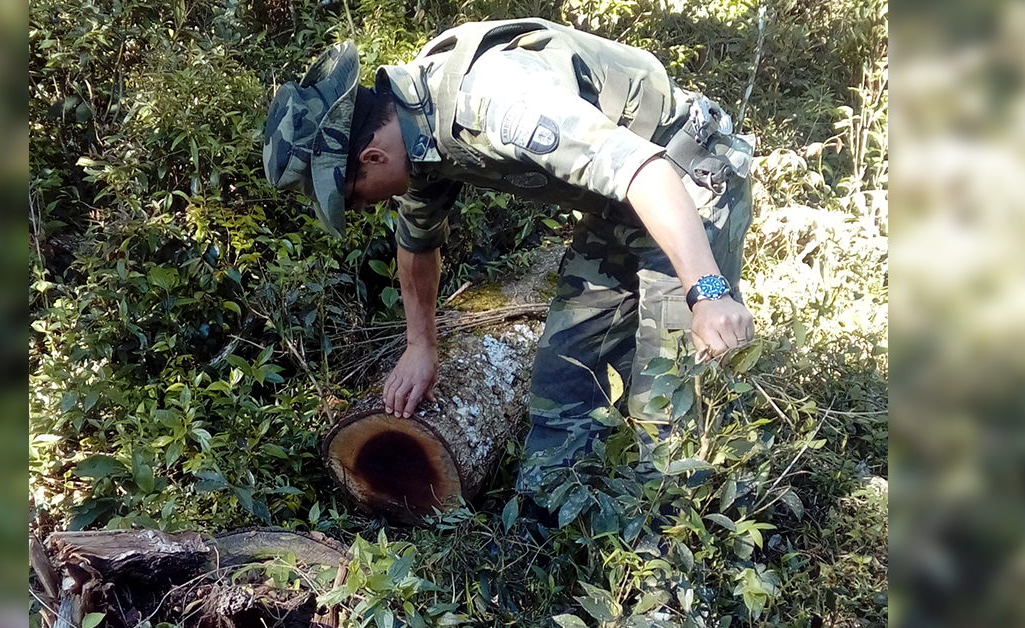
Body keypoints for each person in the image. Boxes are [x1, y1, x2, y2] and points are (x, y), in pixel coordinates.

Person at [262, 18, 755, 501]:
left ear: (372, 158)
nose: (362, 207)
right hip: (617, 204)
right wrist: (420, 345)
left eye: (353, 197)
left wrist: (708, 293)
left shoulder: (496, 100)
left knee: (667, 404)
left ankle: (671, 540)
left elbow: (644, 171)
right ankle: (548, 523)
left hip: (685, 182)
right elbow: (417, 243)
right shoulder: (414, 134)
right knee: (563, 380)